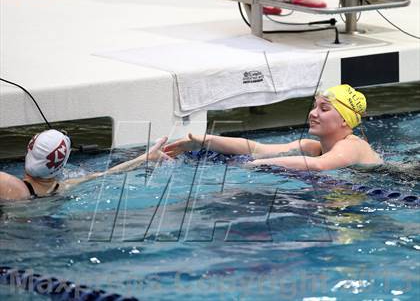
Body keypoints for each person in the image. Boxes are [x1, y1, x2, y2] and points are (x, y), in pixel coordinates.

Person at [164, 84, 383, 171]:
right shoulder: (310, 146)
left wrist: (261, 164)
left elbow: (318, 166)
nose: (313, 113)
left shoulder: (351, 146)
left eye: (324, 109)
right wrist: (204, 141)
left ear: (345, 120)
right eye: (315, 106)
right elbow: (256, 148)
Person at [0, 130, 170, 201]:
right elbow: (107, 174)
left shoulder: (10, 185)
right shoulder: (61, 188)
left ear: (29, 152)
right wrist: (146, 157)